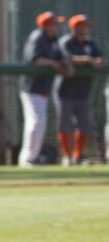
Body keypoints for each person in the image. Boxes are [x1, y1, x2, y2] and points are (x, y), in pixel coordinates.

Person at [19, 11, 71, 167]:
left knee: (40, 123)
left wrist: (66, 64)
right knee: (36, 122)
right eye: (55, 24)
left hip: (43, 88)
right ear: (47, 26)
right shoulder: (37, 37)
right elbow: (33, 59)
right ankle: (27, 158)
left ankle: (32, 158)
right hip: (31, 88)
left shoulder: (52, 40)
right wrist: (51, 63)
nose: (57, 27)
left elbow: (62, 56)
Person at [57, 14, 103, 165]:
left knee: (84, 125)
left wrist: (97, 60)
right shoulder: (66, 41)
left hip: (83, 90)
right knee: (64, 124)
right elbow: (66, 57)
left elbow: (100, 57)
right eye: (86, 26)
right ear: (77, 28)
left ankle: (77, 156)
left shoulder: (89, 43)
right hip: (65, 90)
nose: (89, 28)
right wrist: (88, 59)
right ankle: (66, 156)